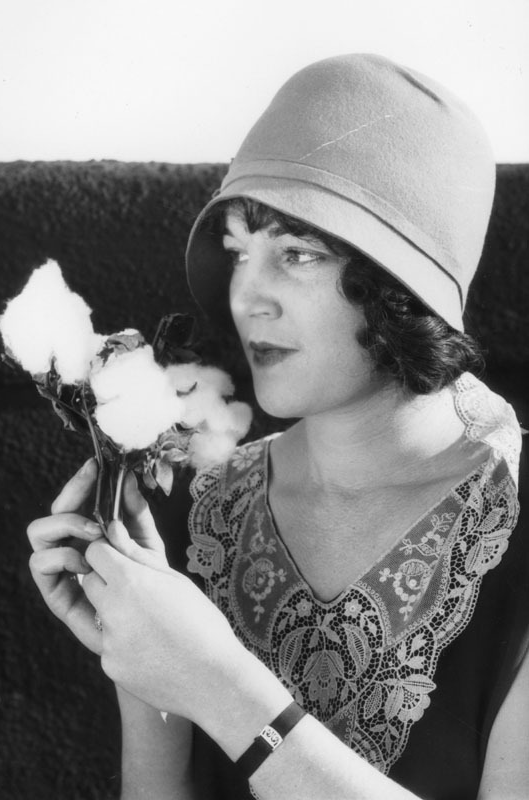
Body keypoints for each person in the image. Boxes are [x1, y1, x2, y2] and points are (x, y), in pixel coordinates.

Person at [26, 54, 529, 799]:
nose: (245, 297)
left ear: (403, 286)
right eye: (239, 252)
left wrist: (218, 683)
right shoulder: (196, 506)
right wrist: (137, 661)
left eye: (296, 254)